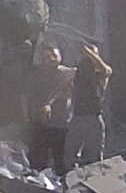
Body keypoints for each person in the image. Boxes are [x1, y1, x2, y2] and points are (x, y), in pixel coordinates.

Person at [24, 39, 72, 174]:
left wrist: (49, 103)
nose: (50, 59)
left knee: (59, 157)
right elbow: (28, 95)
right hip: (40, 122)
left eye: (54, 56)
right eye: (47, 57)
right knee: (38, 157)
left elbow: (63, 90)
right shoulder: (37, 75)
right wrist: (27, 115)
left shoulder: (67, 73)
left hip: (60, 122)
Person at [67, 43, 113, 166]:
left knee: (94, 155)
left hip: (93, 117)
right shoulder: (79, 72)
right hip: (77, 116)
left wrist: (89, 52)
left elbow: (106, 70)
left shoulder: (100, 74)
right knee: (70, 153)